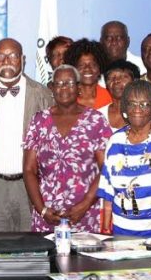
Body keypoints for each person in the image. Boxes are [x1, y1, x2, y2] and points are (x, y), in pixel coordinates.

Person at [23, 65, 112, 233]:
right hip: (47, 214)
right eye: (59, 83)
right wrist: (42, 209)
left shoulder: (96, 120)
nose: (63, 87)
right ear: (52, 88)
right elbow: (29, 169)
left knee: (83, 259)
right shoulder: (39, 120)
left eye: (69, 83)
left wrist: (84, 205)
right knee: (47, 258)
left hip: (84, 213)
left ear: (79, 88)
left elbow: (106, 168)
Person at [0, 38, 54, 232]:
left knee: (32, 248)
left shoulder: (42, 94)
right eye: (1, 56)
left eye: (13, 56)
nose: (6, 60)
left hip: (30, 187)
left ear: (23, 59)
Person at [99, 80, 151, 237]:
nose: (137, 109)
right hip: (122, 231)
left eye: (144, 104)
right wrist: (105, 228)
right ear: (125, 108)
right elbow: (108, 190)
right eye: (132, 104)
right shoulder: (115, 140)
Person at [63, 38, 111, 109]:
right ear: (73, 69)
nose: (87, 68)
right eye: (81, 65)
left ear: (100, 68)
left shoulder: (110, 97)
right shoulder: (65, 98)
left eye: (93, 65)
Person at [97, 59, 140, 130]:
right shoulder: (98, 116)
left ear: (135, 82)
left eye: (123, 77)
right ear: (106, 86)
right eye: (111, 78)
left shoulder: (148, 113)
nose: (116, 81)